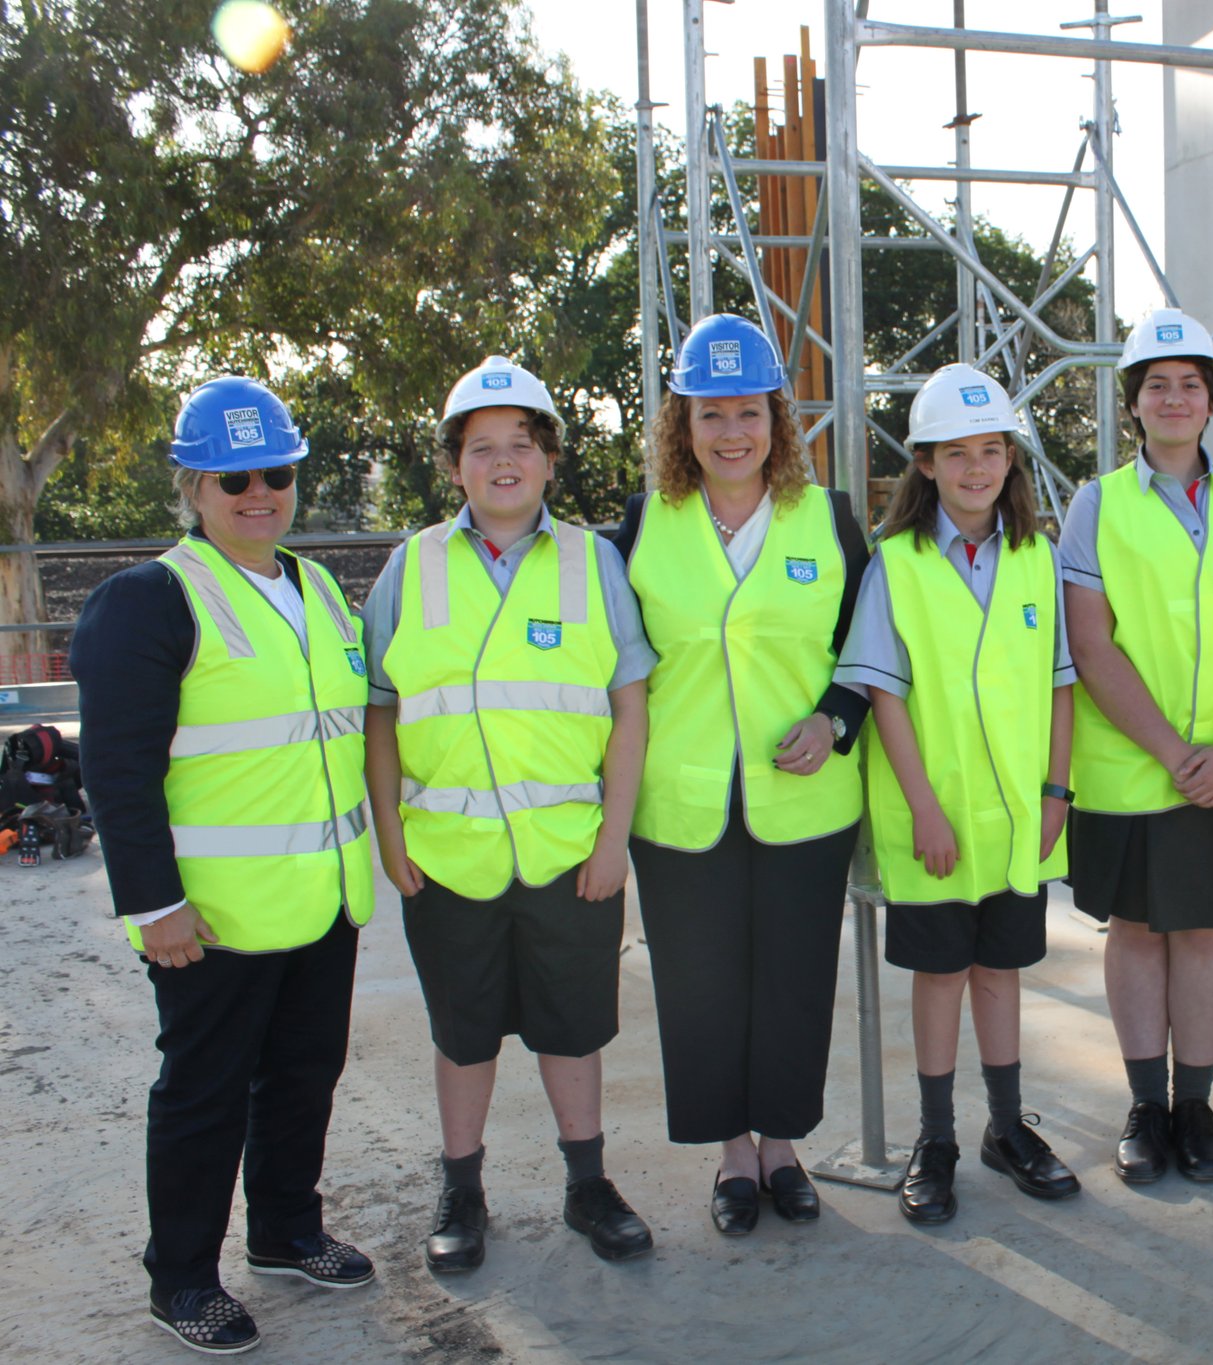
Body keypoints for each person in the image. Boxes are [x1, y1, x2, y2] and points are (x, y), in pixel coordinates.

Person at [72, 377, 376, 1354]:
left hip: (324, 900)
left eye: (276, 473)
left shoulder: (319, 587)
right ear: (194, 488)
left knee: (304, 1076)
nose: (260, 492)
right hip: (211, 914)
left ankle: (286, 1231)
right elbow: (116, 774)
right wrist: (153, 904)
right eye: (233, 476)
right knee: (202, 1095)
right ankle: (183, 1279)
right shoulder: (149, 601)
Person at [362, 356, 655, 1271]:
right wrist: (390, 834)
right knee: (464, 1032)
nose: (501, 464)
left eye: (520, 446)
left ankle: (588, 1183)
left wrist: (616, 841)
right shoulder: (411, 567)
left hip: (570, 855)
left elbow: (629, 705)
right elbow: (379, 708)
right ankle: (462, 1188)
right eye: (480, 447)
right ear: (454, 465)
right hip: (447, 857)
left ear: (549, 461)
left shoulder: (591, 559)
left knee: (573, 1029)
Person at [615, 313, 869, 1235]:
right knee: (700, 982)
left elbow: (868, 653)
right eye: (711, 413)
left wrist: (836, 719)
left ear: (778, 419)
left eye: (749, 412)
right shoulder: (644, 525)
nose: (732, 432)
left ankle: (784, 1146)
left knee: (794, 977)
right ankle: (731, 1153)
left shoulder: (828, 519)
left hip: (805, 800)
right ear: (681, 424)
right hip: (680, 805)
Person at [1060, 308, 1213, 1184]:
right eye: (1156, 385)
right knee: (1135, 929)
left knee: (1205, 931)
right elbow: (1091, 644)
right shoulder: (1098, 503)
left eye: (1189, 385)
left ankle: (1194, 1106)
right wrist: (1172, 750)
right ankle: (1144, 1105)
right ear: (1135, 404)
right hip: (1134, 769)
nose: (1173, 398)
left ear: (1210, 402)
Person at [835, 364, 1081, 1225]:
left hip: (1016, 816)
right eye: (957, 453)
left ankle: (1006, 1129)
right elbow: (883, 692)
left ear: (1010, 459)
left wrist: (1058, 788)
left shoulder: (1035, 557)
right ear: (926, 464)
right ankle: (935, 1139)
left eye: (992, 451)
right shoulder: (893, 565)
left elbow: (1059, 684)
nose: (977, 468)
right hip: (931, 819)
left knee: (1001, 971)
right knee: (940, 975)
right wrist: (926, 807)